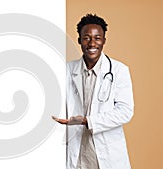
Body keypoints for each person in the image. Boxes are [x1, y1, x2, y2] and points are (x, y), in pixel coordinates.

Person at [52, 14, 134, 169]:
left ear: (104, 41)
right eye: (86, 37)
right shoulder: (66, 70)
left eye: (97, 38)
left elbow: (125, 111)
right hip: (76, 151)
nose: (92, 43)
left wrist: (86, 121)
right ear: (79, 40)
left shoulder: (119, 71)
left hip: (106, 151)